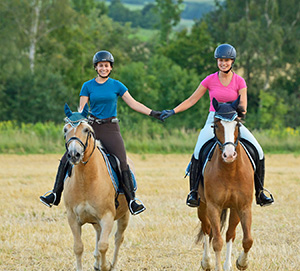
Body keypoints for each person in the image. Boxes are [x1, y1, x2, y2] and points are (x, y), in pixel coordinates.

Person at [40, 50, 161, 215]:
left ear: (110, 68)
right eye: (100, 65)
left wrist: (154, 113)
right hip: (91, 128)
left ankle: (132, 200)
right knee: (67, 156)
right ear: (96, 67)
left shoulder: (117, 85)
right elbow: (82, 109)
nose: (103, 68)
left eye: (106, 65)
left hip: (111, 129)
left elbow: (133, 104)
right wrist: (76, 121)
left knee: (121, 161)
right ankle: (55, 194)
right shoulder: (87, 86)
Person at [160, 43, 274, 208]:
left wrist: (234, 117)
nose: (223, 63)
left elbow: (244, 107)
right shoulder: (209, 80)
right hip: (214, 120)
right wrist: (173, 111)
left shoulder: (240, 81)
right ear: (217, 61)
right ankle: (194, 192)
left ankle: (260, 192)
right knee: (198, 150)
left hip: (233, 121)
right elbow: (192, 100)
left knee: (259, 150)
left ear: (232, 61)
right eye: (220, 60)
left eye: (226, 60)